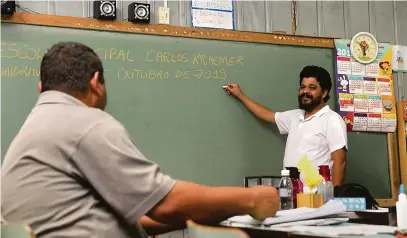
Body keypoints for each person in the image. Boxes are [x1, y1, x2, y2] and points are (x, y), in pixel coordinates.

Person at [1, 42, 280, 238]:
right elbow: (166, 204)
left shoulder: (37, 125)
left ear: (41, 87)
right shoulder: (83, 123)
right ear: (96, 82)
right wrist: (253, 197)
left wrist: (216, 208)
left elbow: (138, 214)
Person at [224, 66, 347, 187]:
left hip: (319, 197)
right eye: (302, 87)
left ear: (324, 93)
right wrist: (240, 95)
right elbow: (267, 114)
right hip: (292, 193)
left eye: (312, 88)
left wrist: (333, 199)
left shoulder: (332, 120)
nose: (305, 91)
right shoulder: (295, 116)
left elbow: (340, 162)